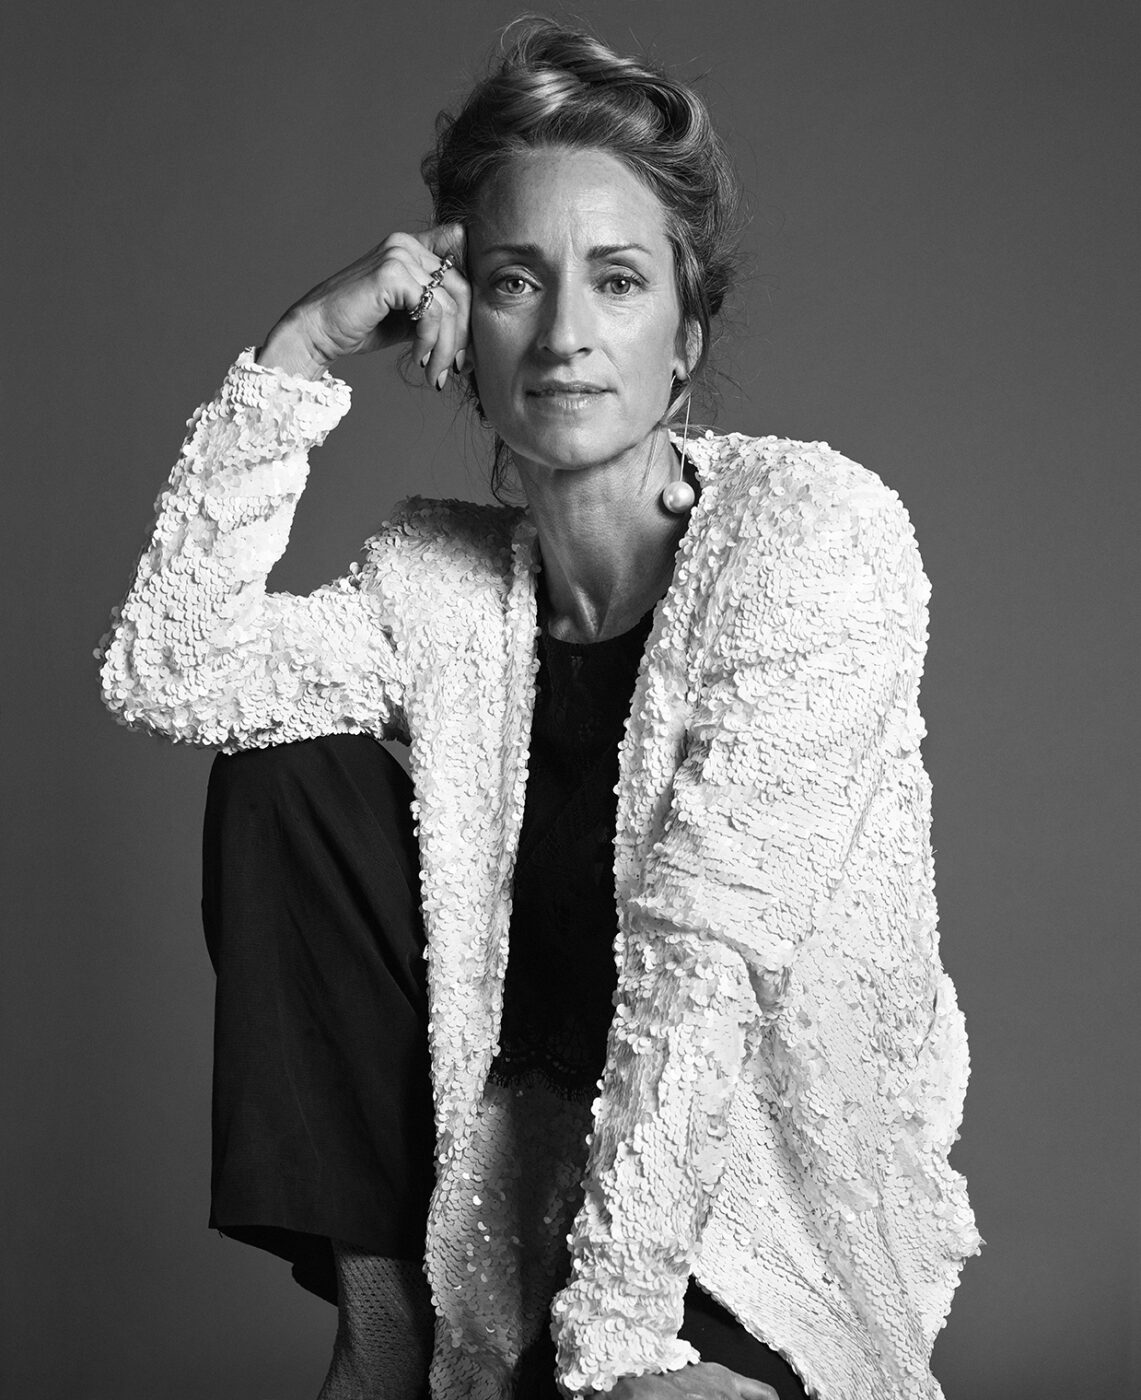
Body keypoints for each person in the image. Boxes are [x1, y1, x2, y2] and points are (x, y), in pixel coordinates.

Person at [97, 19, 979, 1400]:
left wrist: (610, 1349)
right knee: (286, 772)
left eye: (617, 282)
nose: (565, 336)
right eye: (516, 281)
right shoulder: (438, 582)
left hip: (744, 1208)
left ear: (684, 340)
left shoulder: (808, 535)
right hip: (513, 1200)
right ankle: (383, 1335)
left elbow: (704, 971)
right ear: (459, 330)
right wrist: (303, 346)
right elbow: (173, 670)